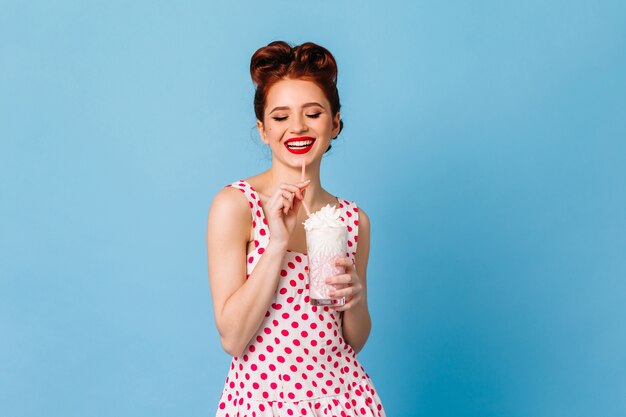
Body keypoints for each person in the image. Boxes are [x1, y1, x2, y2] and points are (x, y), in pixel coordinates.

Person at [207, 40, 386, 417]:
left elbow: (354, 340)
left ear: (335, 122)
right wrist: (276, 244)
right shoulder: (236, 206)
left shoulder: (352, 220)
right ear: (263, 129)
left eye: (314, 113)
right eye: (281, 116)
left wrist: (355, 298)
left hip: (344, 400)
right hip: (263, 402)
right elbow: (234, 338)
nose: (298, 127)